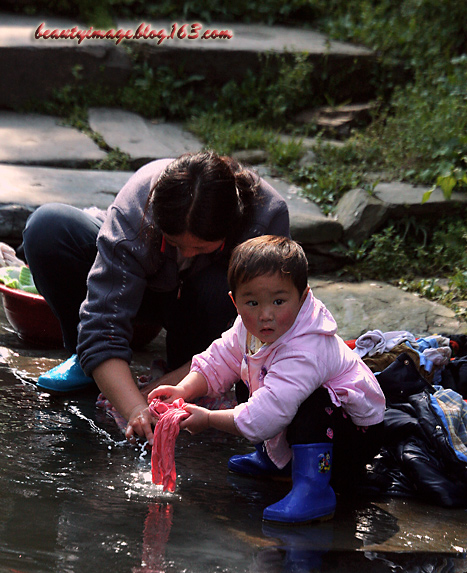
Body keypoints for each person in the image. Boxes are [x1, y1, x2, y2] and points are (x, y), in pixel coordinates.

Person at [20, 152, 290, 446]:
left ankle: (189, 364)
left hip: (206, 307)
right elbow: (101, 324)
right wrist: (135, 408)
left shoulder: (266, 217)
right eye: (174, 243)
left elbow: (262, 328)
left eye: (200, 247)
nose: (186, 254)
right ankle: (87, 363)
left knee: (226, 288)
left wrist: (175, 384)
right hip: (144, 292)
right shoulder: (138, 209)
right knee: (48, 227)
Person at [148, 235, 386, 524]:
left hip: (351, 437)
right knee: (247, 371)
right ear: (235, 301)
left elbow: (267, 415)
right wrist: (183, 389)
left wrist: (209, 418)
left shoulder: (306, 348)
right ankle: (278, 460)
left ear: (303, 296)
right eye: (252, 302)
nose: (266, 315)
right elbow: (220, 358)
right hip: (295, 414)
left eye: (279, 300)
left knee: (311, 404)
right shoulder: (249, 328)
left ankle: (314, 489)